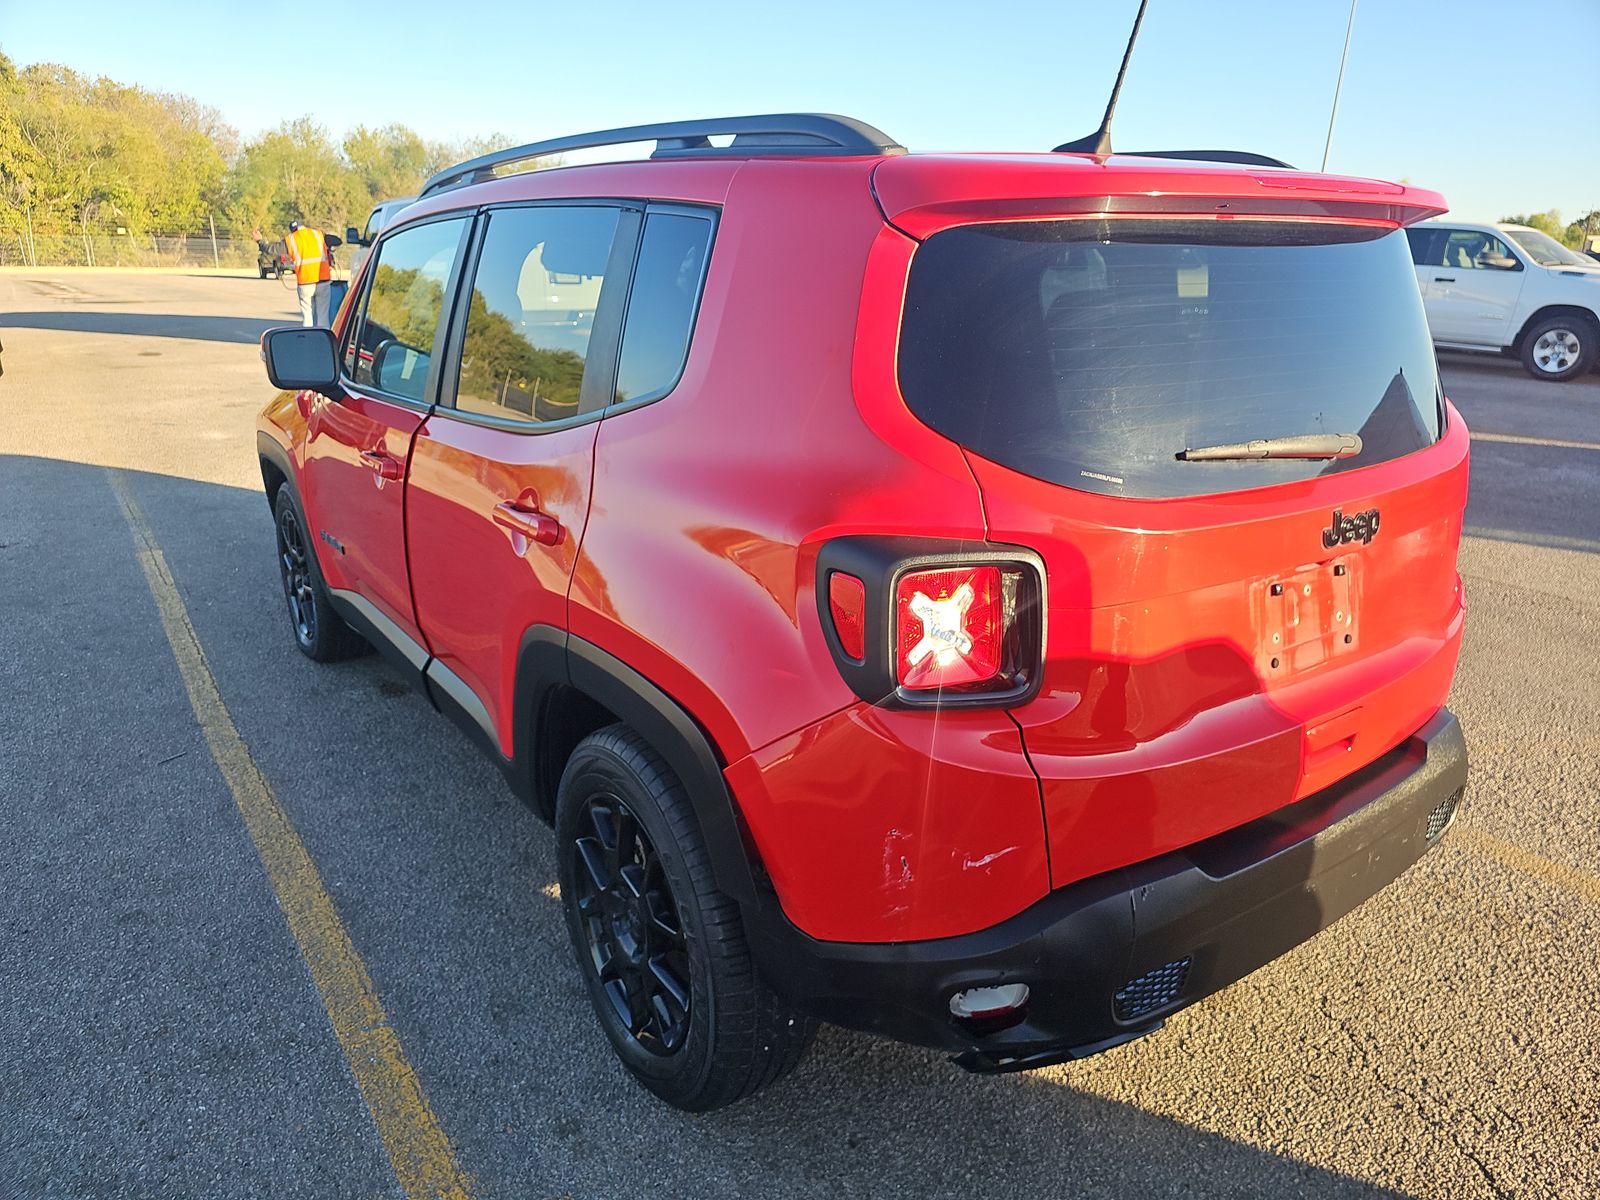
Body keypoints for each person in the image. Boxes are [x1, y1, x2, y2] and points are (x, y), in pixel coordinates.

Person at [283, 219, 332, 326]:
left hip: (305, 282)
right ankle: (325, 340)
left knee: (307, 316)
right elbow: (336, 241)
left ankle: (307, 339)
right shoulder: (317, 234)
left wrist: (260, 242)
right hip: (322, 280)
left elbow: (272, 249)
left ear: (292, 230)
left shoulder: (291, 239)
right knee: (323, 316)